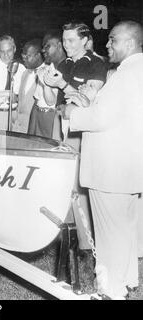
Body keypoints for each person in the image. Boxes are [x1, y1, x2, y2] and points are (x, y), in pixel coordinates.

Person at [61, 20, 143, 299]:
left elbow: (102, 117)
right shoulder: (138, 72)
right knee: (126, 227)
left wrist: (71, 114)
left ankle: (110, 290)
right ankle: (129, 279)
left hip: (110, 167)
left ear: (130, 44)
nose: (107, 45)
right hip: (130, 166)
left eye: (113, 40)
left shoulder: (123, 75)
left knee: (109, 232)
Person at [43, 23, 108, 251]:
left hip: (79, 129)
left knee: (79, 185)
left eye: (71, 40)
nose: (66, 45)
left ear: (84, 40)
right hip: (59, 122)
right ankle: (66, 238)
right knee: (61, 182)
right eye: (64, 40)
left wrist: (61, 83)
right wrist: (47, 84)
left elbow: (86, 101)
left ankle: (87, 244)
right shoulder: (64, 63)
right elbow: (51, 101)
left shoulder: (96, 64)